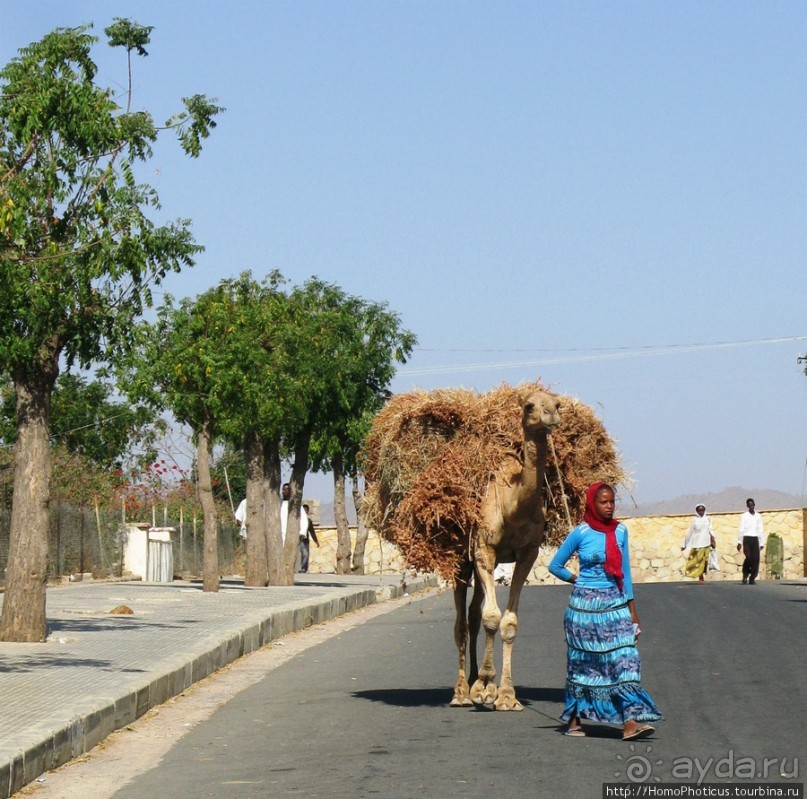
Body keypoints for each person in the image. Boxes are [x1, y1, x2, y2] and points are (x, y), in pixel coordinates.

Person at [549, 482, 663, 740]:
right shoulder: (580, 533)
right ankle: (574, 719)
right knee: (583, 664)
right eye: (604, 502)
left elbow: (626, 573)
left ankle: (630, 721)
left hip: (615, 604)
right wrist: (576, 580)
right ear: (593, 504)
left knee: (626, 659)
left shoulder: (620, 531)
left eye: (612, 501)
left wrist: (632, 611)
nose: (609, 507)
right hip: (584, 610)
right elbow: (555, 565)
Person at [681, 503, 714, 583]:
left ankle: (702, 573)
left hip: (706, 542)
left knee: (705, 560)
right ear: (696, 511)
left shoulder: (707, 519)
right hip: (697, 543)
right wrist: (684, 544)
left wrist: (713, 539)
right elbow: (690, 532)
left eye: (702, 510)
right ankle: (700, 576)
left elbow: (710, 529)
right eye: (699, 511)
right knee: (698, 561)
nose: (701, 512)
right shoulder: (694, 520)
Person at [737, 498, 764, 584]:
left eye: (752, 505)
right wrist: (739, 542)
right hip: (747, 538)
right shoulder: (744, 516)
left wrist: (761, 542)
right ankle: (745, 575)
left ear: (754, 505)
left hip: (755, 538)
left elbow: (760, 529)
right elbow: (741, 529)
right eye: (749, 505)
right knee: (748, 557)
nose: (751, 506)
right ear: (747, 506)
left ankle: (752, 578)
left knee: (756, 559)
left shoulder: (758, 516)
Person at [298, 503, 320, 573]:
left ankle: (304, 569)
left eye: (306, 511)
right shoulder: (297, 520)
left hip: (306, 540)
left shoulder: (309, 521)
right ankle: (302, 568)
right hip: (299, 540)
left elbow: (312, 532)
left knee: (306, 554)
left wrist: (316, 541)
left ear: (307, 512)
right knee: (304, 554)